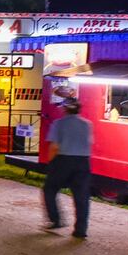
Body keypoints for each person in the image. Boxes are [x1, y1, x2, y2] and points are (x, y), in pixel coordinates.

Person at [43, 97, 93, 239]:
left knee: (50, 189)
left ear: (64, 109)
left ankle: (56, 219)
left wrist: (50, 163)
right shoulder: (87, 124)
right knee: (82, 197)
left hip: (63, 160)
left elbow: (54, 146)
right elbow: (89, 143)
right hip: (83, 162)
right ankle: (80, 230)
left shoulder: (58, 124)